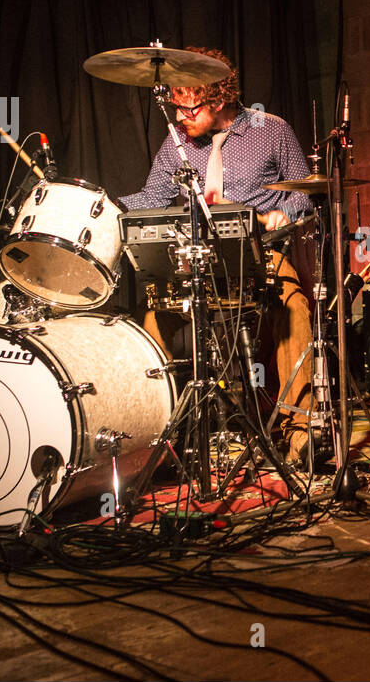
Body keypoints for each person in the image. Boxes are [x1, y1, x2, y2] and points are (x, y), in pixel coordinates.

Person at [118, 46, 317, 468]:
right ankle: (155, 437)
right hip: (197, 260)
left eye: (188, 109)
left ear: (219, 100)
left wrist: (274, 214)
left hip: (258, 254)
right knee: (152, 316)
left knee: (296, 306)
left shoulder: (271, 130)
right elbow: (152, 197)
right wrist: (104, 204)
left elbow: (306, 197)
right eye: (174, 107)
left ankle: (299, 431)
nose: (179, 118)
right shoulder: (177, 144)